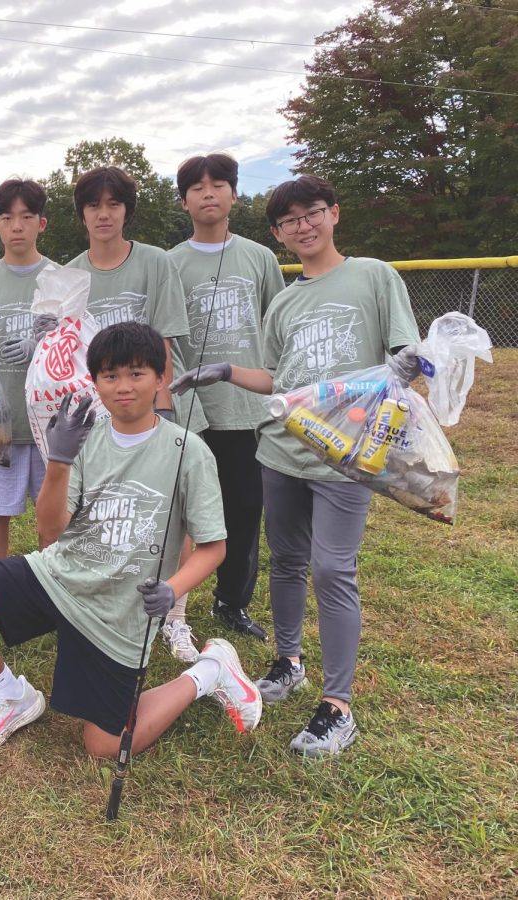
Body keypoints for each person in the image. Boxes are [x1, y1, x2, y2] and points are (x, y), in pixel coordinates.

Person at [0, 322, 261, 756]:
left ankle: (209, 672)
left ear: (160, 379)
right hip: (59, 576)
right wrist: (59, 460)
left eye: (137, 374)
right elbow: (50, 536)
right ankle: (12, 696)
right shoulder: (83, 439)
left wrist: (173, 589)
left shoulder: (189, 450)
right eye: (110, 375)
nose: (123, 387)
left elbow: (214, 547)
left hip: (118, 611)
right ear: (95, 382)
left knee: (104, 746)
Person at [170, 174, 421, 757]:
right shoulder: (283, 302)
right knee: (286, 560)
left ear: (334, 214)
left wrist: (409, 374)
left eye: (312, 213)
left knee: (333, 570)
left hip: (346, 456)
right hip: (282, 448)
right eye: (289, 221)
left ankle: (338, 704)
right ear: (279, 235)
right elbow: (276, 378)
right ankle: (288, 662)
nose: (303, 226)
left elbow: (403, 358)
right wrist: (227, 372)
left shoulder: (375, 276)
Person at [64, 165, 198, 660]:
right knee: (108, 508)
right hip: (101, 410)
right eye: (94, 205)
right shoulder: (71, 273)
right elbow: (70, 353)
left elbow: (163, 340)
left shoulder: (156, 262)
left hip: (156, 404)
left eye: (114, 204)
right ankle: (111, 601)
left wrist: (161, 415)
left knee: (171, 512)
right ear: (81, 213)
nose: (104, 214)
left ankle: (176, 615)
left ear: (126, 211)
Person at [165, 153, 286, 657]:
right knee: (184, 514)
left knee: (242, 508)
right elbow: (166, 338)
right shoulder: (169, 262)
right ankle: (172, 609)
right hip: (192, 411)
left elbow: (277, 327)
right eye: (197, 186)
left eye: (219, 184)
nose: (208, 193)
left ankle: (231, 603)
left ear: (235, 195)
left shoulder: (260, 258)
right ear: (185, 199)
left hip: (246, 410)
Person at [0, 179, 59, 560]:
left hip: (50, 424)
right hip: (0, 425)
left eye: (27, 216)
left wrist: (48, 344)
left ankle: (52, 594)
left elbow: (80, 353)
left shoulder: (59, 278)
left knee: (51, 517)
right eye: (8, 217)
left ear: (42, 223)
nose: (17, 226)